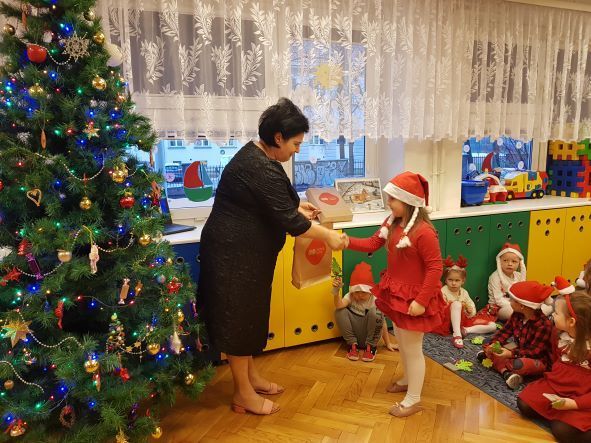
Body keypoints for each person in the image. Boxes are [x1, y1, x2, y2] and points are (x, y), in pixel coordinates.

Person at [198, 98, 347, 416]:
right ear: (278, 137)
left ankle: (250, 378)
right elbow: (291, 221)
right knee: (239, 321)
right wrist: (329, 237)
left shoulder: (261, 157)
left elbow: (272, 202)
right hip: (233, 256)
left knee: (249, 318)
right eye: (295, 144)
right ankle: (243, 394)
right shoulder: (257, 166)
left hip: (247, 255)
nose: (296, 150)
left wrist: (297, 206)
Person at [344, 171, 445, 418]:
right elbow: (372, 243)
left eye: (392, 199)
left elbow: (435, 268)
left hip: (414, 297)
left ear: (408, 201)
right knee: (401, 339)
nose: (388, 203)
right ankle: (408, 379)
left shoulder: (424, 232)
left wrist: (421, 301)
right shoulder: (392, 223)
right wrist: (347, 241)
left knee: (412, 348)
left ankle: (413, 399)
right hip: (397, 293)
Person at [517, 287, 591, 443]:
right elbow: (556, 359)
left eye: (556, 313)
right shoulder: (558, 334)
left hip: (584, 395)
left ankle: (565, 416)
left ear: (571, 322)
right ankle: (560, 413)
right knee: (524, 403)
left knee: (562, 430)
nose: (552, 316)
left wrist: (575, 404)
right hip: (558, 385)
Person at [478, 281, 554, 390]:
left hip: (536, 359)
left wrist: (510, 354)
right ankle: (506, 372)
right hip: (518, 349)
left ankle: (500, 366)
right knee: (487, 342)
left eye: (512, 300)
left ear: (522, 305)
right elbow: (504, 332)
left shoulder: (543, 325)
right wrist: (493, 344)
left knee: (518, 365)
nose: (509, 302)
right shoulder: (517, 315)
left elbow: (534, 352)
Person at [332, 262, 396, 362]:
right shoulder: (350, 296)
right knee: (339, 311)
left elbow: (381, 322)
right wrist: (336, 292)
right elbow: (339, 305)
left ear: (370, 292)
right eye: (357, 292)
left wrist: (388, 343)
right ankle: (352, 346)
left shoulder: (375, 299)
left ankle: (371, 348)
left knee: (377, 312)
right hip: (354, 335)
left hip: (370, 337)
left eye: (363, 292)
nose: (360, 295)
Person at [431, 255, 477, 349]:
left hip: (461, 322)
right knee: (456, 304)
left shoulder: (464, 292)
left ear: (462, 281)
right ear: (445, 280)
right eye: (450, 280)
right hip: (446, 323)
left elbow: (471, 307)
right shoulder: (443, 291)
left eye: (457, 280)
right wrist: (450, 305)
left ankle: (465, 330)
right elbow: (438, 308)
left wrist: (469, 310)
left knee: (491, 326)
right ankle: (457, 335)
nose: (453, 283)